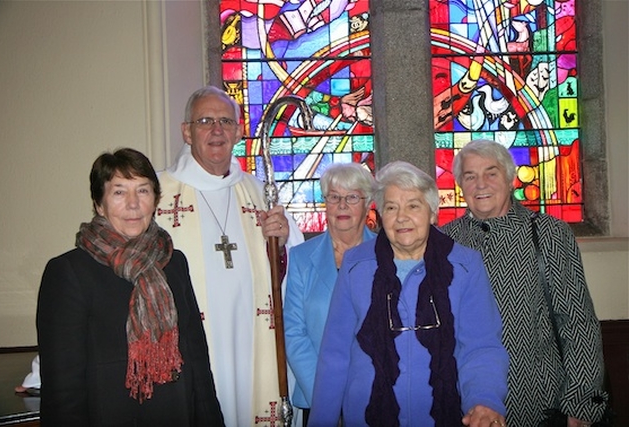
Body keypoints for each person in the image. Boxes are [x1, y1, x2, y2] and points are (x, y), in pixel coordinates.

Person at [309, 161, 508, 426]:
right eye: (391, 207)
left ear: (432, 213)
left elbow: (480, 346)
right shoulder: (355, 265)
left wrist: (484, 400)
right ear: (381, 215)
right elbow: (335, 353)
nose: (402, 217)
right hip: (367, 416)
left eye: (413, 205)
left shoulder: (465, 265)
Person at [36, 148, 224, 426]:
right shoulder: (68, 272)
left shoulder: (174, 263)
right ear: (99, 204)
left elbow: (196, 358)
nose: (133, 204)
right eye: (119, 192)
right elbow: (63, 387)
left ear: (155, 200)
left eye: (143, 191)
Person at [155, 86, 304, 426]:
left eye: (225, 121)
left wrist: (281, 247)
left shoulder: (259, 193)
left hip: (252, 342)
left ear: (238, 131)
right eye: (205, 121)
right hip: (188, 343)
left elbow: (297, 278)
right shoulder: (158, 195)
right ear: (187, 131)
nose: (217, 130)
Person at [442, 139, 608, 426]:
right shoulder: (444, 242)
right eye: (470, 176)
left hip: (539, 401)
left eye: (491, 173)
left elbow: (577, 320)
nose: (480, 184)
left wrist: (581, 402)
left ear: (510, 179)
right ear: (460, 185)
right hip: (467, 407)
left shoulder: (548, 233)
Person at [284, 162, 376, 424]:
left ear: (368, 203)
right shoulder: (301, 258)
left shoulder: (387, 254)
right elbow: (294, 332)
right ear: (325, 203)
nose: (342, 205)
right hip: (318, 395)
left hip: (375, 395)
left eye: (352, 197)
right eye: (334, 197)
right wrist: (326, 395)